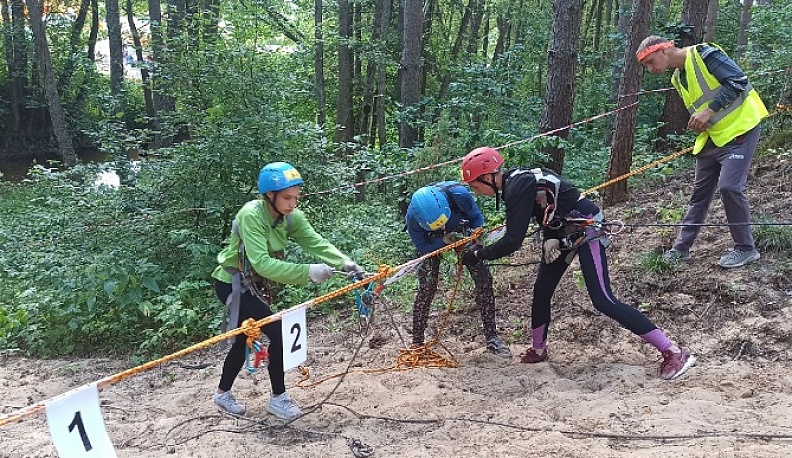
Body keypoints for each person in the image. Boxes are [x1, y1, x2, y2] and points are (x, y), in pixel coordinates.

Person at [458, 147, 696, 380]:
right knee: (542, 291)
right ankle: (539, 349)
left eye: (475, 185)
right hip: (564, 231)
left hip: (587, 229)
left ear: (488, 177)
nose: (475, 191)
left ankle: (673, 352)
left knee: (603, 300)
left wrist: (478, 254)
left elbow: (513, 240)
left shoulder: (515, 187)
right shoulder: (519, 180)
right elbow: (549, 207)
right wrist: (550, 237)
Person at [211, 161, 364, 419]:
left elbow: (316, 242)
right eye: (287, 197)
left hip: (252, 285)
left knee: (241, 342)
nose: (293, 203)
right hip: (232, 284)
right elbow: (262, 263)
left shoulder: (290, 218)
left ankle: (222, 393)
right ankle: (278, 398)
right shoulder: (252, 216)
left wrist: (345, 263)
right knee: (280, 332)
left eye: (296, 197)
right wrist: (308, 272)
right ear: (269, 196)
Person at [636, 36, 769, 268]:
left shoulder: (705, 54)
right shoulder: (678, 78)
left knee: (729, 187)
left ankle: (746, 248)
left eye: (650, 61)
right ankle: (680, 250)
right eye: (645, 66)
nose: (649, 69)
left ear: (665, 49)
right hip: (713, 138)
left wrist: (708, 111)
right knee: (699, 194)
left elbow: (738, 80)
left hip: (741, 130)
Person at [405, 182, 511, 357]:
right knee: (427, 287)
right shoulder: (413, 219)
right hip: (434, 242)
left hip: (464, 232)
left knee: (483, 279)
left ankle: (492, 338)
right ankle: (417, 343)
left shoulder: (458, 195)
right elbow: (423, 246)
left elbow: (477, 218)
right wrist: (443, 241)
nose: (440, 226)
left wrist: (474, 235)